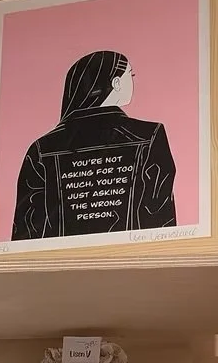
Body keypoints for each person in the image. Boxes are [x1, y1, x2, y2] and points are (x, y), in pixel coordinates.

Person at [12, 50, 176, 240]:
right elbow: (160, 215)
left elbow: (27, 230)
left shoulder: (41, 148)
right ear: (116, 83)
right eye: (130, 75)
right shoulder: (150, 135)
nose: (132, 80)